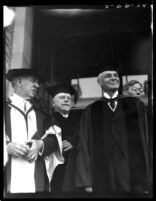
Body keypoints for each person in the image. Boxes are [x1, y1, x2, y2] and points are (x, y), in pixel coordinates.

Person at [75, 65, 150, 195]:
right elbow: (84, 144)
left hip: (131, 172)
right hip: (102, 171)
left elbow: (147, 140)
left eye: (116, 76)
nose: (114, 78)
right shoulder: (91, 110)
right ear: (99, 82)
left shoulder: (135, 105)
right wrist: (85, 181)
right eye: (108, 76)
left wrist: (148, 179)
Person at [4, 68, 60, 193]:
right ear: (19, 81)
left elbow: (55, 137)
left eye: (37, 82)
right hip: (8, 175)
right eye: (33, 81)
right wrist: (6, 148)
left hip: (36, 178)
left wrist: (40, 144)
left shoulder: (42, 112)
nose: (37, 85)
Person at [46, 83, 81, 192]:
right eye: (62, 97)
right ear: (53, 103)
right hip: (56, 165)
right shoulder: (46, 120)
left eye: (69, 98)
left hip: (76, 164)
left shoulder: (80, 119)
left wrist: (73, 142)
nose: (66, 100)